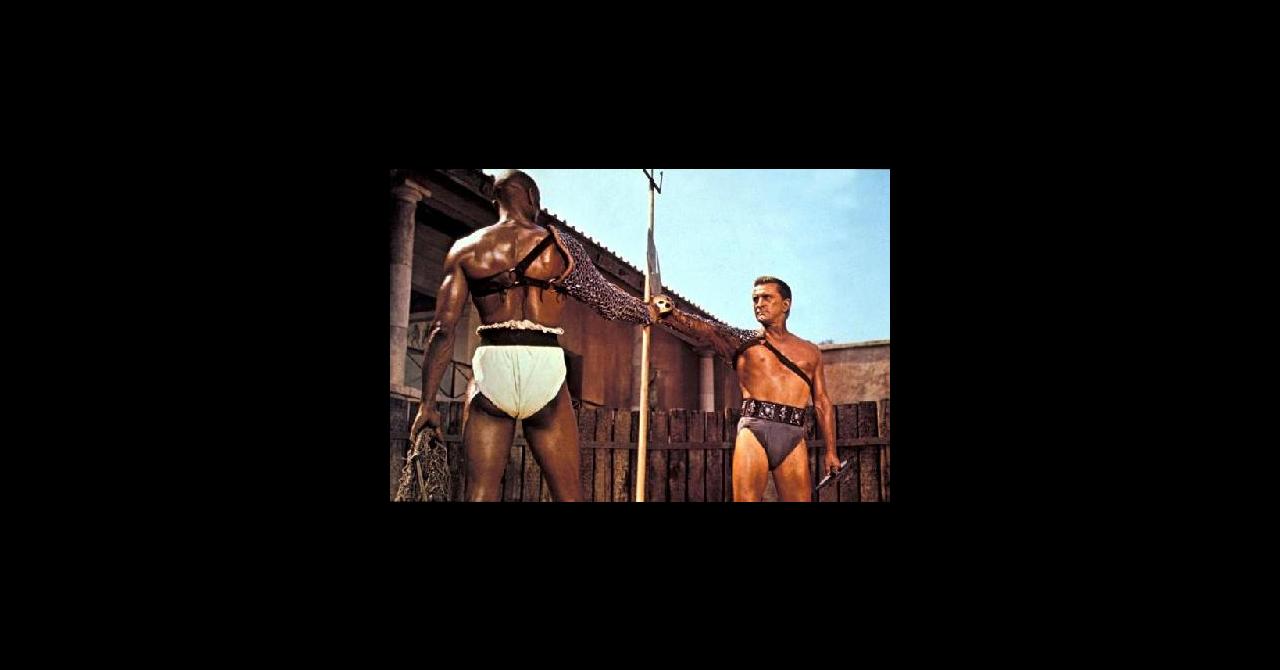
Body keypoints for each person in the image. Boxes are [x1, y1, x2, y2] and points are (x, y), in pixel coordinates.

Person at [409, 170, 655, 501]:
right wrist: (650, 312)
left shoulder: (466, 250)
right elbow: (607, 301)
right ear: (531, 198)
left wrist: (427, 404)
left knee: (479, 494)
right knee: (569, 496)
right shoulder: (561, 248)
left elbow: (442, 330)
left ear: (496, 201)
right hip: (545, 366)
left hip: (492, 368)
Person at [650, 276, 839, 501]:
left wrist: (831, 451)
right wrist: (668, 312)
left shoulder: (810, 352)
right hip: (754, 430)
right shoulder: (742, 341)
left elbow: (822, 402)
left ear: (785, 304)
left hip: (792, 435)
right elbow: (706, 330)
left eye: (766, 297)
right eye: (755, 299)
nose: (759, 304)